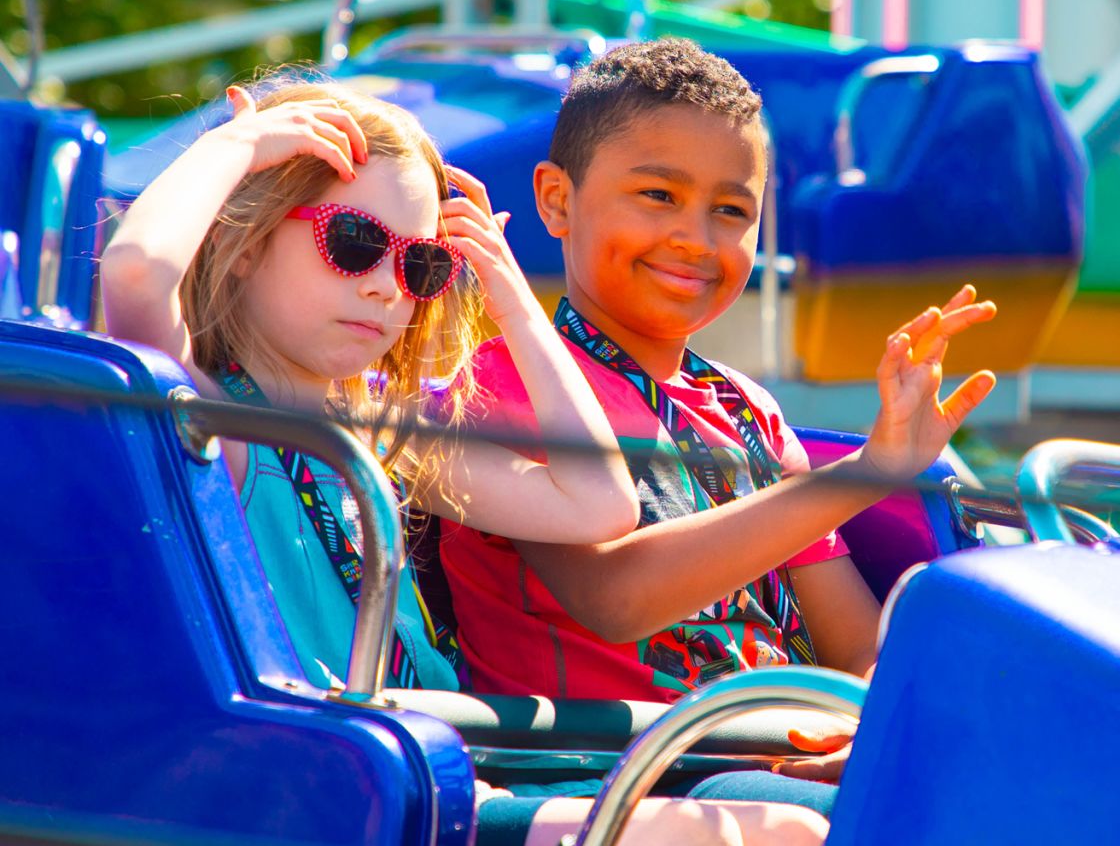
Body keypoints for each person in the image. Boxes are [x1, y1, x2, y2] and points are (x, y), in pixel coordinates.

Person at [100, 76, 828, 846]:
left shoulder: (392, 438)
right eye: (353, 243)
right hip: (330, 794)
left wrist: (509, 293)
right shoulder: (215, 420)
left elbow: (599, 505)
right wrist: (239, 145)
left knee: (788, 825)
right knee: (776, 831)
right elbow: (138, 273)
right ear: (247, 244)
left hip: (446, 781)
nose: (387, 288)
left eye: (420, 265)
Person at [439, 38, 997, 781]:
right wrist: (867, 472)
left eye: (731, 211)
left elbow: (855, 642)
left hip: (781, 758)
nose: (696, 240)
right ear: (556, 200)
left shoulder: (750, 415)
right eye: (659, 195)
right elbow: (615, 597)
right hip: (617, 774)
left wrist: (859, 736)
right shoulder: (503, 385)